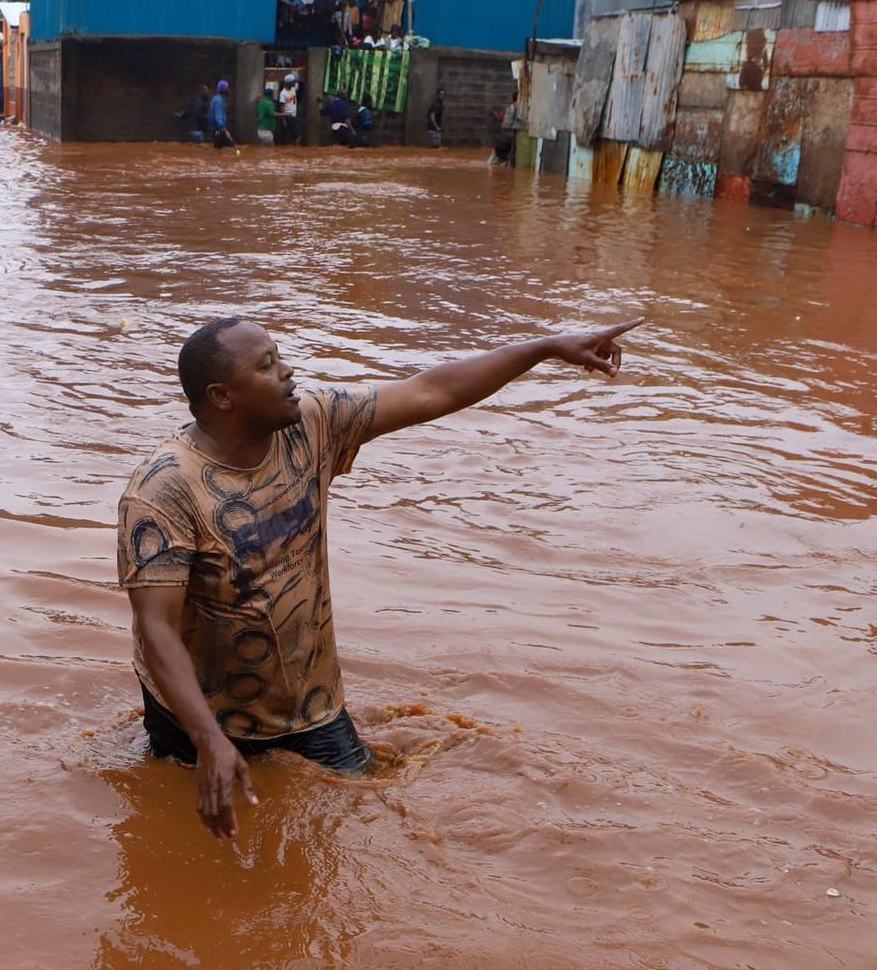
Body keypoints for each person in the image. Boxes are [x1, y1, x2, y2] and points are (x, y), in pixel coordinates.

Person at [118, 316, 644, 839]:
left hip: (308, 705)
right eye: (268, 365)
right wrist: (208, 738)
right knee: (178, 836)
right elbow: (156, 627)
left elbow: (432, 389)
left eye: (279, 357)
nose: (289, 372)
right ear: (223, 396)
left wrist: (546, 347)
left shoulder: (311, 424)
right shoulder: (164, 491)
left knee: (350, 831)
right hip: (193, 716)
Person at [208, 81, 234, 148]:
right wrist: (225, 131)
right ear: (224, 90)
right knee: (228, 148)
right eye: (227, 88)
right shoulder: (219, 101)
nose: (229, 90)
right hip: (219, 131)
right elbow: (218, 118)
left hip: (217, 130)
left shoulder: (217, 99)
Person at [277, 73, 300, 145]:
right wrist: (283, 120)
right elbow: (282, 106)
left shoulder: (293, 88)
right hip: (288, 116)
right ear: (289, 83)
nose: (294, 83)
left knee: (296, 135)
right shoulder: (283, 93)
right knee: (288, 135)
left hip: (294, 115)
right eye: (293, 82)